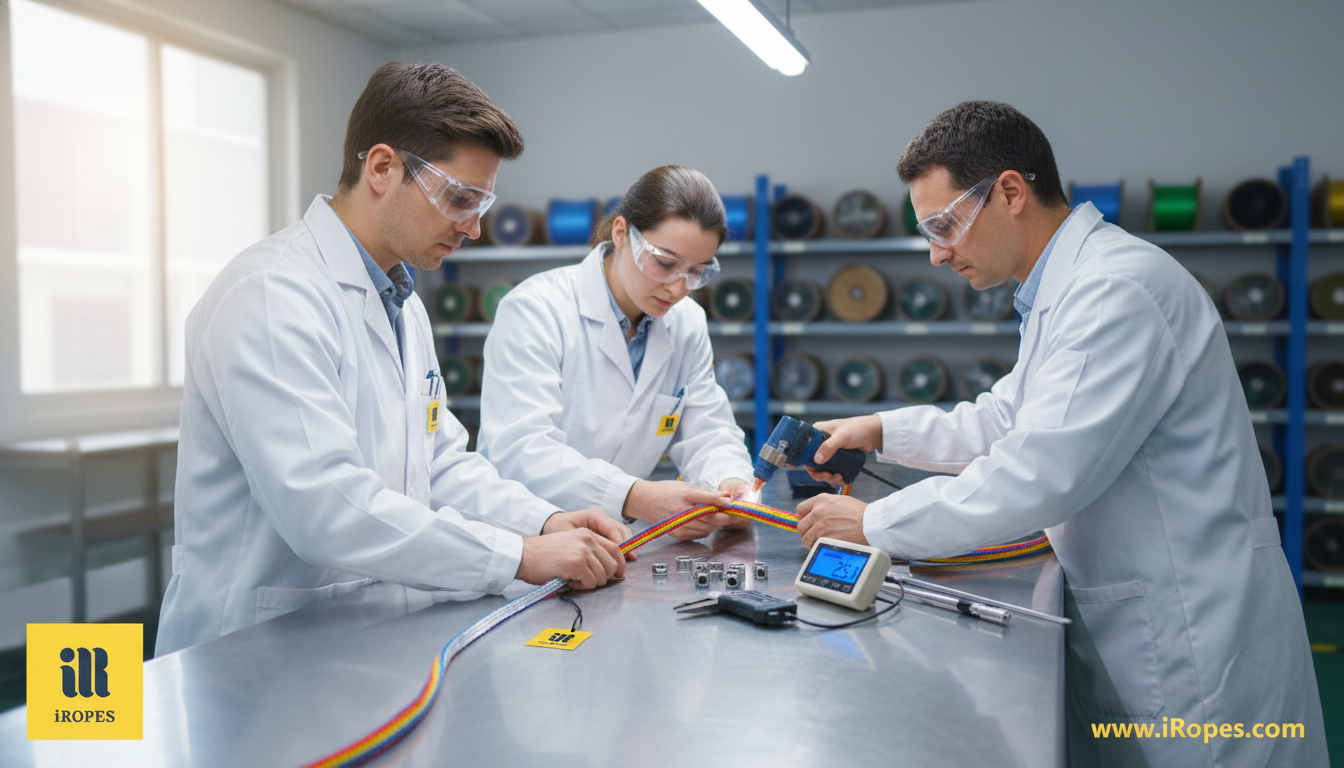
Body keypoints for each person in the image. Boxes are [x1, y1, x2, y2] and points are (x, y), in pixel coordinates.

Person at [796, 101, 1327, 766]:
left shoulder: (1114, 290)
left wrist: (873, 524)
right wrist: (878, 429)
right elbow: (1006, 420)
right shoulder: (1065, 291)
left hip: (1194, 645)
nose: (936, 254)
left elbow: (1041, 471)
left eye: (943, 224)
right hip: (1146, 628)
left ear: (1010, 192)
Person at [156, 63, 630, 656]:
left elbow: (437, 463)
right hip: (252, 646)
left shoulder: (400, 300)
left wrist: (543, 521)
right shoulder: (273, 294)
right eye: (460, 198)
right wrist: (518, 556)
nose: (475, 228)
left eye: (482, 202)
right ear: (382, 168)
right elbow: (324, 506)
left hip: (362, 636)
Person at [478, 166, 754, 540]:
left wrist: (731, 484)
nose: (677, 288)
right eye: (665, 263)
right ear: (622, 233)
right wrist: (634, 496)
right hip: (528, 539)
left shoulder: (687, 322)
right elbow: (522, 451)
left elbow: (707, 428)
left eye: (696, 272)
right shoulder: (536, 309)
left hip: (620, 544)